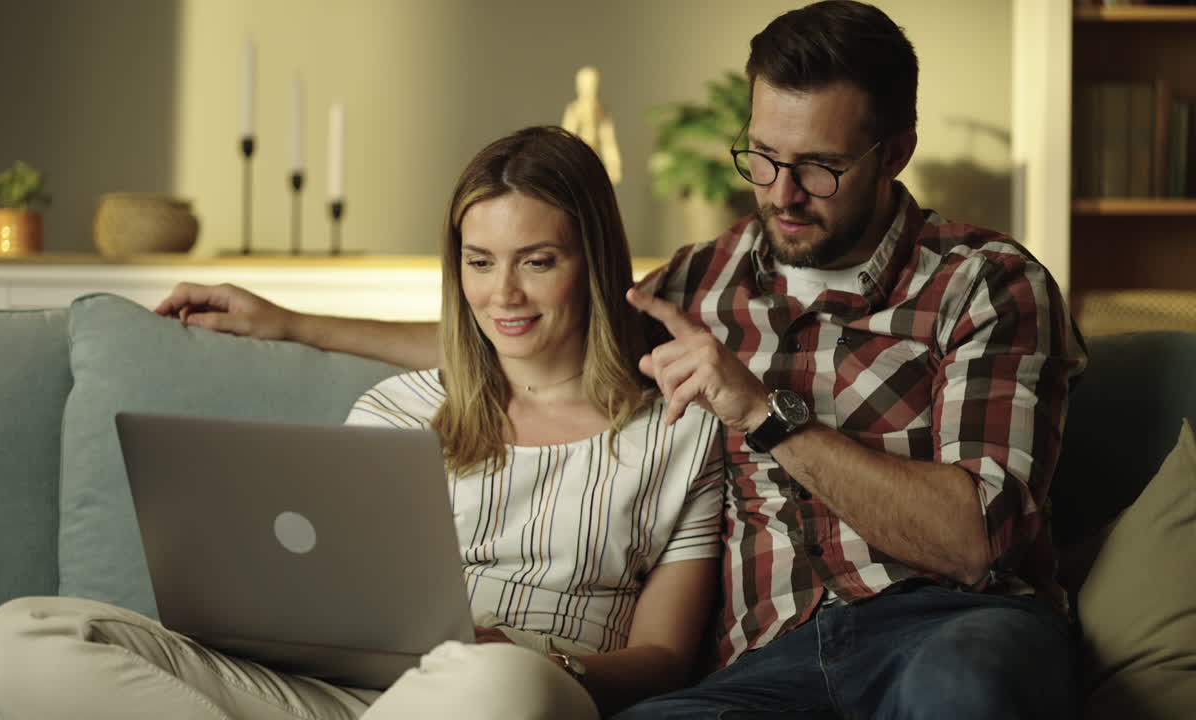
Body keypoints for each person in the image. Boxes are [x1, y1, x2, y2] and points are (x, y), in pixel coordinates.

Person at [154, 3, 1088, 717]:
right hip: (768, 661)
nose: (781, 192)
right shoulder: (704, 278)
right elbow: (529, 333)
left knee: (968, 686)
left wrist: (762, 415)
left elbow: (973, 539)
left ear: (896, 154)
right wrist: (294, 324)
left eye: (818, 167)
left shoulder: (986, 285)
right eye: (760, 157)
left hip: (951, 626)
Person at [0, 126, 725, 720]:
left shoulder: (679, 433)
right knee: (23, 641)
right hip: (333, 697)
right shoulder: (397, 409)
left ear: (590, 262)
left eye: (536, 261)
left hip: (514, 691)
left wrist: (533, 660)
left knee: (498, 687)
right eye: (479, 262)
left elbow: (663, 658)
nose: (504, 296)